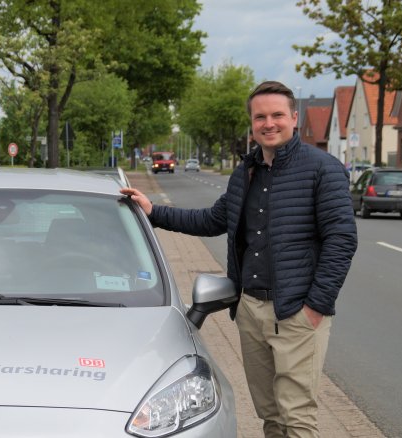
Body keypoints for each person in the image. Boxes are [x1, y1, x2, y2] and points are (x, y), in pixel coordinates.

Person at [121, 81, 357, 438]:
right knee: (270, 414)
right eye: (260, 117)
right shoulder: (245, 172)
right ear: (252, 124)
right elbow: (212, 220)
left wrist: (315, 306)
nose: (269, 123)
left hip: (296, 313)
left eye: (277, 115)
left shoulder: (322, 169)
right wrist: (154, 212)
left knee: (296, 415)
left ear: (294, 118)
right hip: (251, 311)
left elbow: (342, 240)